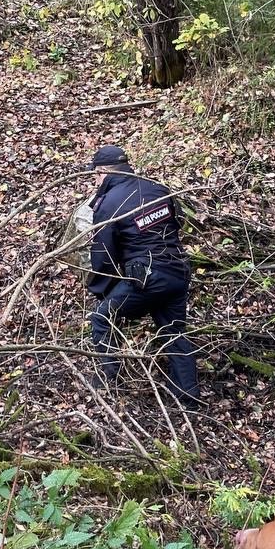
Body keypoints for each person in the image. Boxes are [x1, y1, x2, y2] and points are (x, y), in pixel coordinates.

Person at [86, 144, 200, 407]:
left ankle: (108, 385)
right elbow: (176, 223)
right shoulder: (157, 188)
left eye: (95, 175)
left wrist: (101, 290)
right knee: (174, 333)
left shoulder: (108, 204)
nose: (95, 181)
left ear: (103, 172)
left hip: (148, 278)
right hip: (178, 271)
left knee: (102, 318)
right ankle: (189, 398)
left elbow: (103, 253)